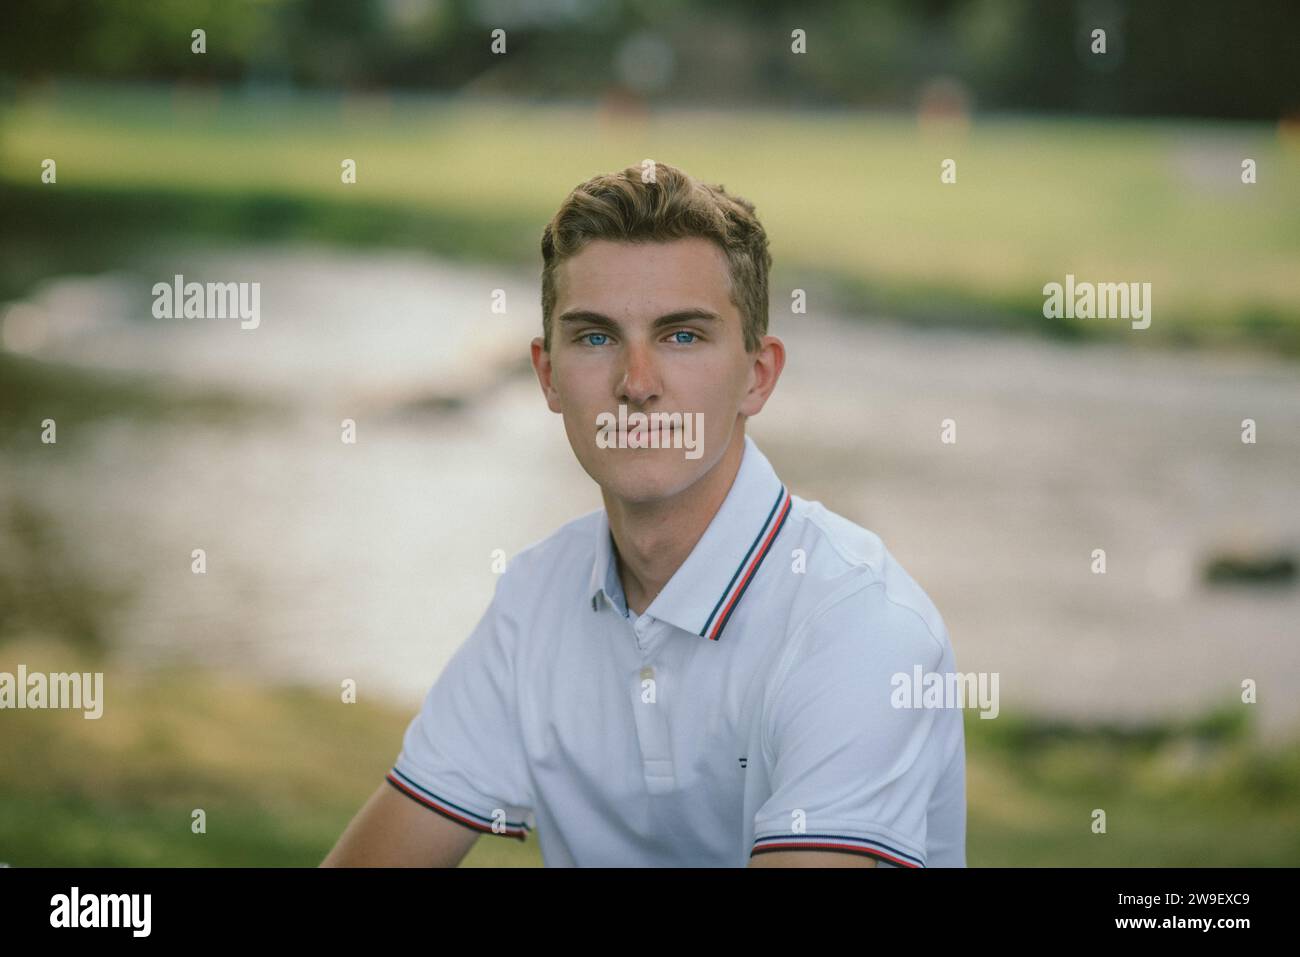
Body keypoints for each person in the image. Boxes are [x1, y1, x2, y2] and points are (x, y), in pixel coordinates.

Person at [322, 162, 965, 867]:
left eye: (681, 336)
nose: (636, 384)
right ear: (547, 376)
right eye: (595, 337)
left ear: (758, 375)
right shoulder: (536, 596)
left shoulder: (859, 623)